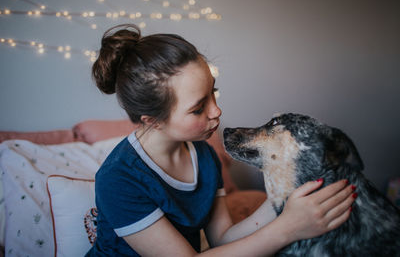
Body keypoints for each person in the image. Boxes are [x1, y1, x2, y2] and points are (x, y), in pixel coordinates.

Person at [86, 24, 356, 256]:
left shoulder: (203, 154)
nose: (217, 111)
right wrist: (288, 228)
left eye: (213, 92)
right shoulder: (118, 180)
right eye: (198, 108)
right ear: (153, 121)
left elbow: (223, 238)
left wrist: (284, 199)